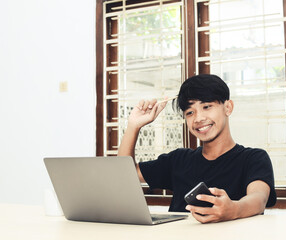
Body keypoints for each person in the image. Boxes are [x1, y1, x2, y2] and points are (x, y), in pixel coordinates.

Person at [118, 74, 276, 223]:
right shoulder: (178, 160)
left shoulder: (253, 158)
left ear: (228, 107)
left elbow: (258, 198)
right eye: (190, 112)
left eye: (207, 106)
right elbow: (123, 175)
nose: (198, 118)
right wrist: (133, 126)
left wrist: (234, 209)